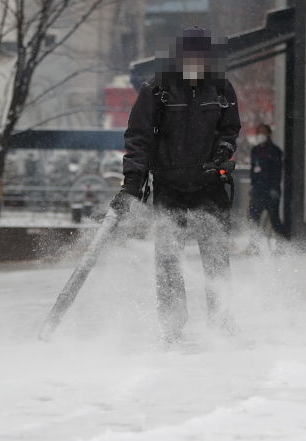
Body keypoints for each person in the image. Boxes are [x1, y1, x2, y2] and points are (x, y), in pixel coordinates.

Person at [111, 27, 241, 341]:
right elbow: (138, 139)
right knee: (169, 259)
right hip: (170, 185)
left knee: (216, 258)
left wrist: (222, 152)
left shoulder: (221, 89)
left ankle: (222, 321)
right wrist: (132, 182)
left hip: (209, 184)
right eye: (189, 56)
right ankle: (172, 326)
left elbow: (229, 129)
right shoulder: (157, 90)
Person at [249, 123, 285, 237]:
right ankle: (253, 245)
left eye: (263, 132)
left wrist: (275, 188)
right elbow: (253, 170)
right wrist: (252, 185)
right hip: (258, 191)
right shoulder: (255, 150)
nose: (261, 135)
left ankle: (282, 243)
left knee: (274, 219)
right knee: (253, 218)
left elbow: (277, 172)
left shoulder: (275, 151)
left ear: (269, 134)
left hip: (270, 191)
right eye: (259, 132)